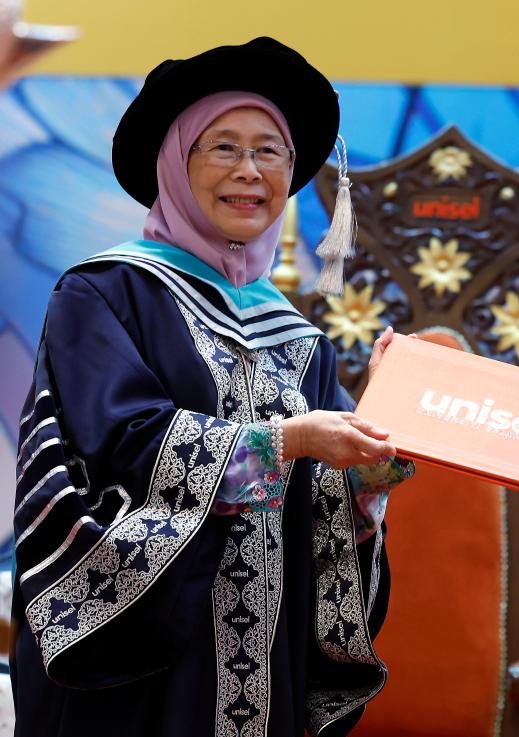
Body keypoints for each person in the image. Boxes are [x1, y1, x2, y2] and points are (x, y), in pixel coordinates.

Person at [11, 37, 412, 737]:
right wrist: (285, 440)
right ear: (176, 163)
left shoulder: (297, 337)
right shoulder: (105, 294)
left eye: (271, 152)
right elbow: (120, 443)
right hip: (140, 662)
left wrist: (372, 464)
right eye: (223, 147)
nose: (250, 172)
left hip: (267, 658)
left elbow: (322, 505)